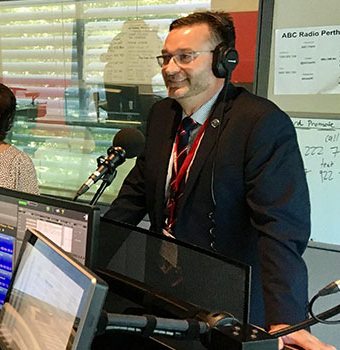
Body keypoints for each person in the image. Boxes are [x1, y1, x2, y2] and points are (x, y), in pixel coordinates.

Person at [104, 11, 333, 350]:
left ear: (225, 60)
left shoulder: (261, 123)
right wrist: (83, 251)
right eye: (166, 58)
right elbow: (135, 195)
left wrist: (285, 318)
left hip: (226, 302)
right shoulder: (161, 114)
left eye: (185, 57)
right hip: (165, 290)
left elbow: (280, 228)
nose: (169, 68)